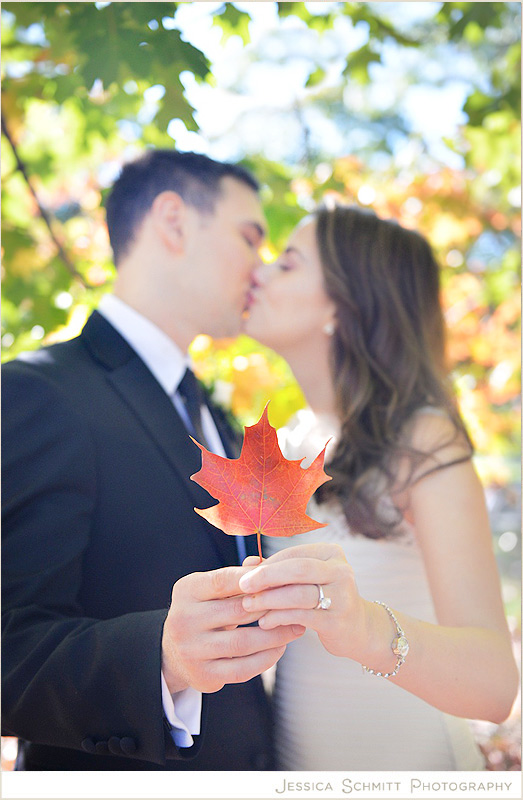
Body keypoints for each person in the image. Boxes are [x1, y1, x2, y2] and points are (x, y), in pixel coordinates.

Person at [1, 149, 305, 771]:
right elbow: (10, 648)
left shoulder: (214, 418)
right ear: (173, 221)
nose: (261, 268)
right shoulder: (40, 391)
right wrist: (161, 657)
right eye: (250, 237)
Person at [240, 204, 519, 770]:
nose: (259, 273)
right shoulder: (293, 440)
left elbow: (494, 686)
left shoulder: (424, 441)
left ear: (342, 308)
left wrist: (362, 625)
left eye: (288, 265)